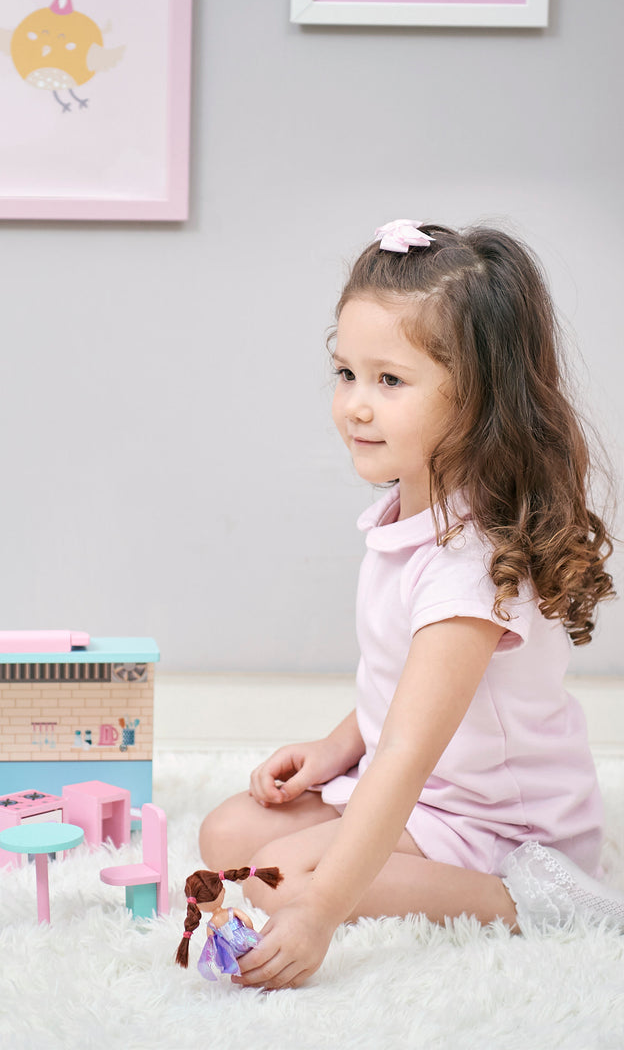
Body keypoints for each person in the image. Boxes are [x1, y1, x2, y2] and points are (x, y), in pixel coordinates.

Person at [198, 220, 622, 991]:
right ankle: (366, 864)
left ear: (478, 399)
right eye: (346, 373)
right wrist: (337, 747)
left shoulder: (470, 572)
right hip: (435, 797)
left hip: (501, 829)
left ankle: (533, 903)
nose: (356, 406)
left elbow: (406, 753)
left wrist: (322, 910)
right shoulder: (409, 515)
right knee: (228, 832)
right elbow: (399, 690)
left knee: (281, 881)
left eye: (389, 382)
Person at [174, 866, 282, 980]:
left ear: (197, 907)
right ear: (223, 890)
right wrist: (251, 932)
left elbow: (211, 944)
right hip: (246, 939)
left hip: (230, 951)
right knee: (261, 947)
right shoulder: (231, 911)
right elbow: (246, 920)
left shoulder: (212, 924)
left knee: (242, 965)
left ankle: (241, 972)